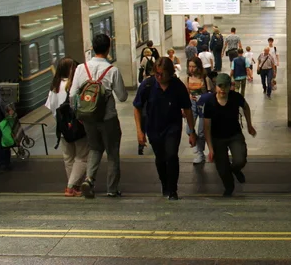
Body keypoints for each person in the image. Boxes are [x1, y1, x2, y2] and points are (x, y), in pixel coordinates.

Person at [70, 34, 128, 199]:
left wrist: (80, 113)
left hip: (88, 119)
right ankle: (112, 189)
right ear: (108, 48)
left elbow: (72, 94)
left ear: (92, 48)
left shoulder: (81, 68)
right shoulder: (112, 70)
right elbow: (123, 96)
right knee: (112, 151)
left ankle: (89, 180)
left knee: (95, 148)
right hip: (108, 118)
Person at [133, 57, 198, 201]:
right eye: (157, 73)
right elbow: (137, 107)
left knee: (171, 155)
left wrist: (192, 131)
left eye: (162, 74)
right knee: (160, 158)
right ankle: (165, 184)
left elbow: (187, 109)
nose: (159, 77)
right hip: (154, 127)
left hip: (172, 127)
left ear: (170, 73)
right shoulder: (148, 85)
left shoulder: (177, 86)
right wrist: (139, 131)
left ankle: (173, 189)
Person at [201, 73, 257, 197]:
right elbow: (207, 127)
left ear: (229, 86)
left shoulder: (235, 97)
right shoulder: (210, 103)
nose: (223, 89)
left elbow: (246, 107)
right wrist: (210, 148)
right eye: (220, 86)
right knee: (222, 167)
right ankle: (229, 187)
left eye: (225, 86)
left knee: (240, 159)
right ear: (216, 87)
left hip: (234, 134)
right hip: (217, 138)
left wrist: (249, 124)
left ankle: (235, 169)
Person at [45, 58, 89, 196]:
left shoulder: (55, 86)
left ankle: (74, 187)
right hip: (77, 126)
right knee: (82, 157)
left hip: (62, 128)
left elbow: (51, 108)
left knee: (68, 158)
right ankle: (71, 186)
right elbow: (79, 106)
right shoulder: (74, 86)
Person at [181, 57, 214, 164]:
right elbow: (185, 93)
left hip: (203, 105)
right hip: (192, 105)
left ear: (198, 67)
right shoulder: (187, 79)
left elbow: (211, 93)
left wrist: (202, 97)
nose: (191, 69)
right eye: (189, 66)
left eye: (193, 66)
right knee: (189, 129)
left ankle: (200, 153)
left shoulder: (205, 78)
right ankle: (196, 141)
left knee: (201, 131)